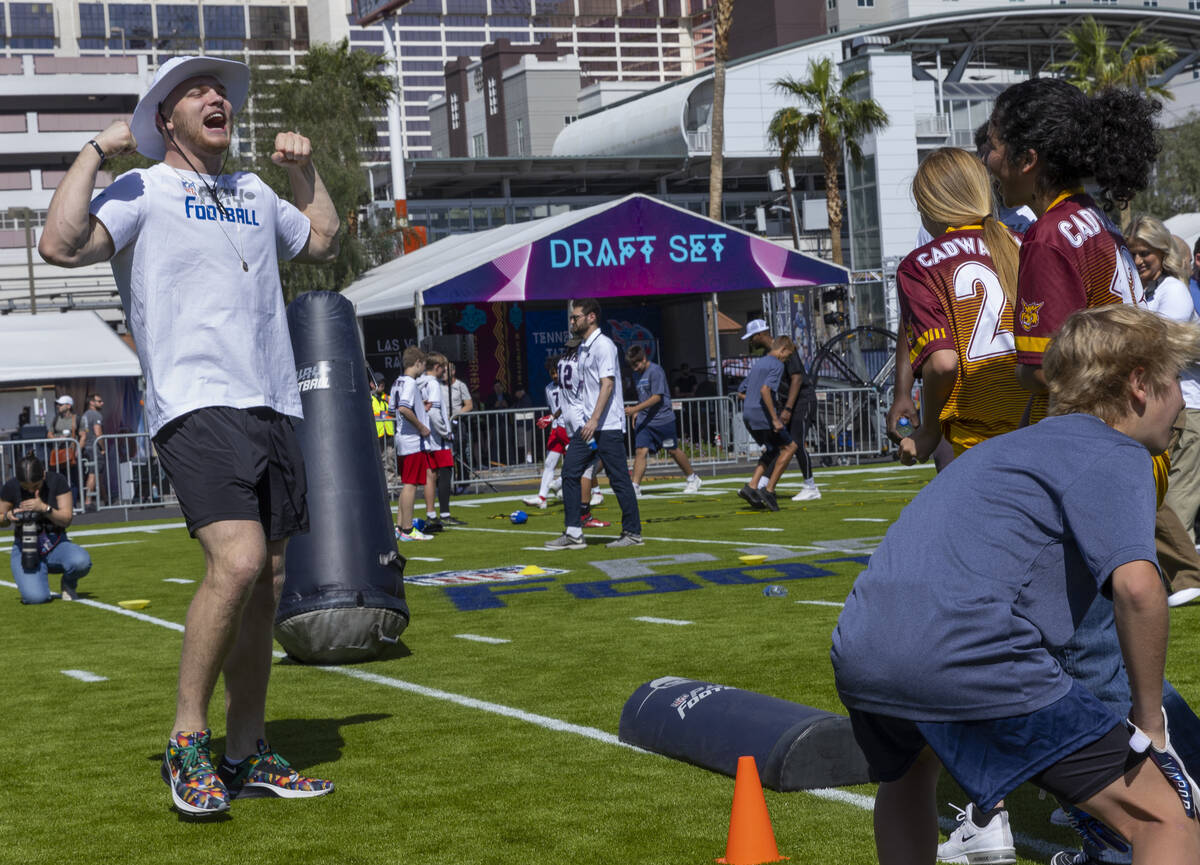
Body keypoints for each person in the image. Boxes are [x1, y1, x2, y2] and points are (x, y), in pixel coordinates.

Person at [38, 55, 339, 816]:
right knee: (235, 562)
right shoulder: (143, 187)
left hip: (273, 401)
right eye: (197, 91)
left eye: (222, 92)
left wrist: (306, 174)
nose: (217, 99)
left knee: (266, 583)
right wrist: (98, 150)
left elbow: (324, 240)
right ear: (165, 118)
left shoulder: (254, 191)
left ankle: (246, 750)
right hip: (197, 403)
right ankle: (188, 738)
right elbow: (60, 246)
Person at [832, 305, 1200, 865]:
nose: (1182, 402)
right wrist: (1150, 722)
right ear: (1140, 386)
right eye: (1177, 382)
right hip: (966, 655)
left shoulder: (1004, 447)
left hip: (862, 646)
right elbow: (1139, 590)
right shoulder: (1115, 451)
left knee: (909, 776)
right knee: (1163, 815)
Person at [938, 78, 1170, 865]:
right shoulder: (1095, 223)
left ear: (1030, 158)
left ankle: (1122, 837)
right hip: (1127, 452)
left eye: (996, 144)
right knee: (1088, 656)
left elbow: (1053, 372)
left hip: (1085, 462)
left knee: (1086, 667)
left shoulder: (1049, 238)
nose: (988, 160)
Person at [894, 146, 1027, 468]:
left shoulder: (920, 265)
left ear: (929, 207)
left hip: (980, 437)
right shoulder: (1026, 245)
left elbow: (942, 364)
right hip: (1043, 422)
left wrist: (929, 428)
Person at [1126, 216, 1200, 608]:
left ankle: (1188, 575)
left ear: (1162, 253)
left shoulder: (1173, 292)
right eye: (1133, 253)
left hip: (1176, 407)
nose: (1138, 261)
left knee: (1169, 501)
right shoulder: (1151, 292)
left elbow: (1156, 355)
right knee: (1156, 494)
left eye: (1145, 253)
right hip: (1156, 405)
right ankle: (1181, 574)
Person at [545, 299, 641, 549]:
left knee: (618, 478)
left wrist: (595, 419)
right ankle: (574, 532)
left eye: (575, 317)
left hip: (606, 425)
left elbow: (607, 384)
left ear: (591, 317)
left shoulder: (604, 346)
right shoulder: (585, 348)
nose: (572, 321)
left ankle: (632, 533)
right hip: (589, 426)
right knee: (569, 472)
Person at [1, 452, 92, 604]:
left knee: (81, 562)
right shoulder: (10, 486)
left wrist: (45, 508)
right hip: (25, 547)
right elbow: (0, 517)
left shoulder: (57, 481)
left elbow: (66, 519)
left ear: (43, 474)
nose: (30, 491)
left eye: (35, 486)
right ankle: (34, 576)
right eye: (25, 487)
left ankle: (68, 584)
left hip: (55, 542)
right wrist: (7, 516)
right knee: (36, 598)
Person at [624, 345, 702, 497]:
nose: (634, 368)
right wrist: (637, 411)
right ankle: (635, 485)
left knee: (672, 450)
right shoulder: (636, 375)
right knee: (641, 451)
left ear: (644, 359)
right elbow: (643, 395)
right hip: (645, 422)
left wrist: (636, 409)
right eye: (632, 365)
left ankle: (693, 478)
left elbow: (657, 397)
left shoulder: (655, 371)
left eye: (636, 364)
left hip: (663, 420)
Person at [737, 335, 797, 512]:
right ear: (782, 350)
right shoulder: (777, 364)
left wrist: (752, 402)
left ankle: (752, 486)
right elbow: (765, 390)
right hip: (762, 415)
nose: (787, 359)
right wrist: (774, 419)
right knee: (790, 447)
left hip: (748, 413)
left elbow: (742, 391)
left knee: (772, 450)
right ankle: (769, 490)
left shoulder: (759, 363)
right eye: (788, 355)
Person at [390, 346, 434, 542]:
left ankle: (400, 527)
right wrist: (421, 426)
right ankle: (407, 529)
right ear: (417, 363)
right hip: (411, 440)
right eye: (423, 365)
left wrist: (419, 407)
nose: (423, 369)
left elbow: (394, 409)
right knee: (410, 484)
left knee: (407, 484)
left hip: (401, 438)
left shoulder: (397, 382)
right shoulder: (409, 382)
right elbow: (403, 408)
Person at [524, 356, 570, 509]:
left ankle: (561, 484)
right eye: (552, 373)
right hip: (557, 429)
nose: (555, 376)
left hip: (570, 428)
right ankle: (542, 497)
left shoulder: (568, 386)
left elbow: (566, 405)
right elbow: (553, 408)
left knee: (575, 463)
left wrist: (551, 418)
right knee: (549, 462)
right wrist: (552, 423)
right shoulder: (548, 388)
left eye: (556, 372)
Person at [418, 352, 456, 532]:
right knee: (445, 473)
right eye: (443, 368)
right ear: (437, 367)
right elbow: (434, 412)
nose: (445, 372)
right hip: (437, 437)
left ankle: (431, 514)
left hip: (426, 436)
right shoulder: (432, 384)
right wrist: (445, 432)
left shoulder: (420, 382)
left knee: (430, 476)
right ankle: (445, 514)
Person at [370, 373, 397, 497]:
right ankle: (380, 489)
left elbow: (396, 412)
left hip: (388, 434)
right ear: (371, 384)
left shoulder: (388, 398)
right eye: (378, 382)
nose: (381, 384)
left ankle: (391, 489)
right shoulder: (368, 398)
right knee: (378, 463)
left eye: (383, 382)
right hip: (376, 435)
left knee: (390, 461)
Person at [78, 393, 105, 510]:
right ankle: (88, 501)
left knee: (98, 474)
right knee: (93, 474)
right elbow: (98, 432)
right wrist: (103, 447)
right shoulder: (96, 414)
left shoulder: (84, 415)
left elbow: (82, 433)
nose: (102, 403)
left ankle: (106, 498)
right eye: (99, 401)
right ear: (92, 403)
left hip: (87, 447)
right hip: (94, 447)